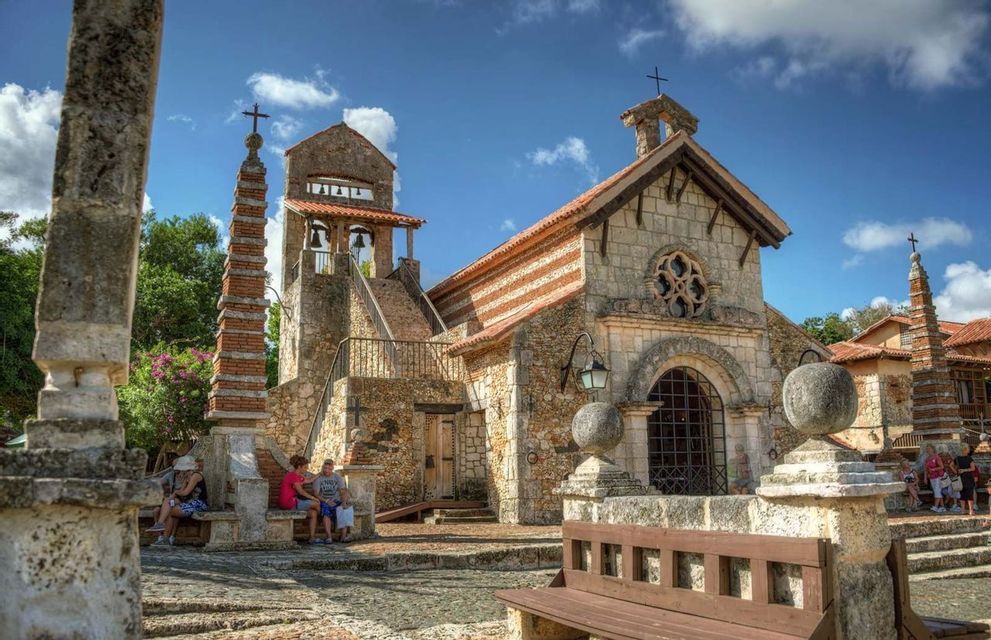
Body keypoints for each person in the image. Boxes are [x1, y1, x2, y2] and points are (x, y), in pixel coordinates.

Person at [146, 455, 208, 545]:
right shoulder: (187, 477)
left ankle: (165, 536)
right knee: (168, 503)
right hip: (188, 502)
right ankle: (161, 528)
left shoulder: (196, 475)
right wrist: (173, 496)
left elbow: (185, 492)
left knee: (171, 511)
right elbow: (181, 491)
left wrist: (175, 493)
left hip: (199, 504)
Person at [279, 454, 322, 544]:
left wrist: (319, 474)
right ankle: (322, 519)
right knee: (317, 503)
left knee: (313, 513)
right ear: (299, 467)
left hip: (293, 502)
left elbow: (309, 480)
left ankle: (312, 538)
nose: (307, 469)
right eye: (305, 467)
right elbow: (301, 492)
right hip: (289, 503)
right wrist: (313, 498)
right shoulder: (293, 476)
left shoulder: (298, 476)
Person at [312, 458, 346, 543]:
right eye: (325, 468)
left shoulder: (337, 477)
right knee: (326, 513)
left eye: (329, 468)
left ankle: (343, 537)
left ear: (332, 468)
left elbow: (343, 491)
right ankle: (329, 537)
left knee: (344, 510)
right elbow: (316, 494)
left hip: (336, 501)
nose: (326, 470)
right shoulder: (318, 478)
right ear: (323, 467)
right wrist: (326, 501)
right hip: (324, 501)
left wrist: (343, 502)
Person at [956, 444, 978, 516]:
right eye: (968, 448)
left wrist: (957, 471)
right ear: (965, 449)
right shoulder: (969, 458)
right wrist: (964, 470)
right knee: (969, 494)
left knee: (962, 494)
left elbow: (951, 465)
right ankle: (971, 511)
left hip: (961, 478)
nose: (969, 449)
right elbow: (973, 468)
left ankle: (962, 510)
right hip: (968, 478)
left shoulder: (957, 458)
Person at [923, 444, 946, 513]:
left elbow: (942, 467)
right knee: (937, 491)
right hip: (931, 477)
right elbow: (925, 470)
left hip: (938, 476)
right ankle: (942, 507)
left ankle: (935, 506)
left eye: (929, 449)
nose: (928, 450)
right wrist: (925, 478)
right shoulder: (926, 459)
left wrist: (933, 469)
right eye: (927, 449)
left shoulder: (937, 457)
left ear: (933, 449)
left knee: (937, 491)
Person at [939, 447, 962, 513]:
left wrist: (951, 467)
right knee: (950, 491)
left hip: (954, 478)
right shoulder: (948, 461)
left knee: (955, 490)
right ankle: (952, 504)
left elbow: (956, 472)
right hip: (949, 478)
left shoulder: (955, 463)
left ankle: (955, 505)